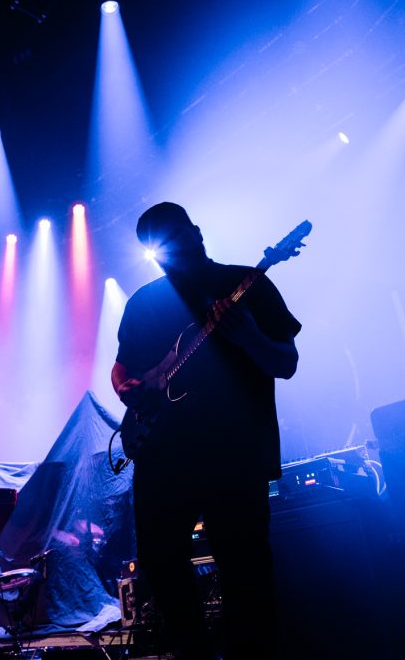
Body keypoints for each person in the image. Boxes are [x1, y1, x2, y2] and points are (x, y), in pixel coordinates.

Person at [111, 202, 300, 659]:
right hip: (162, 454)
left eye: (177, 235)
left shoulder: (248, 283)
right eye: (160, 245)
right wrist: (131, 388)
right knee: (160, 565)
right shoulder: (144, 303)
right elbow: (120, 370)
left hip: (233, 452)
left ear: (195, 232)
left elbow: (287, 363)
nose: (172, 248)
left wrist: (250, 337)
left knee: (245, 570)